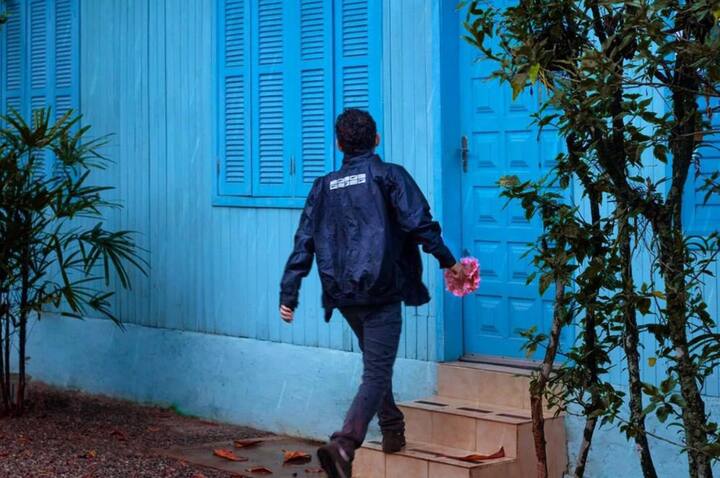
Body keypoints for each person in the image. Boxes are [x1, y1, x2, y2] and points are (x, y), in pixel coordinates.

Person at [279, 108, 462, 478]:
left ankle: (392, 429)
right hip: (381, 291)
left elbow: (304, 240)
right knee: (377, 371)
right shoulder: (389, 175)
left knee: (376, 360)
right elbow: (420, 223)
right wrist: (448, 261)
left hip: (344, 294)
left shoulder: (323, 186)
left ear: (338, 144)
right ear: (376, 139)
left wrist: (289, 292)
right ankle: (344, 445)